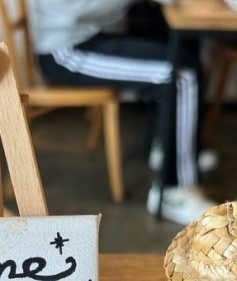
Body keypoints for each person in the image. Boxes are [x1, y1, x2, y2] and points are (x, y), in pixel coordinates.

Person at [30, 0, 217, 225]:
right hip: (66, 48)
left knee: (180, 46)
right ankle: (176, 191)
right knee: (182, 75)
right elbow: (84, 9)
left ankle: (169, 150)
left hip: (90, 34)